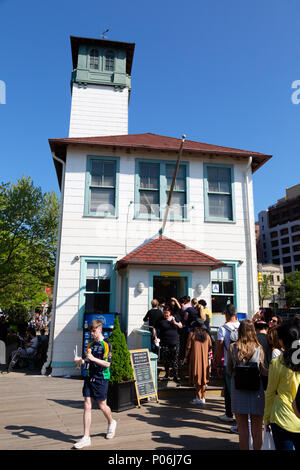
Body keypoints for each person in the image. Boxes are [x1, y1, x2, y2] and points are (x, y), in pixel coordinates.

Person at [73, 320, 116, 449]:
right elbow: (88, 360)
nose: (92, 333)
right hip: (89, 376)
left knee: (102, 405)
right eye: (90, 331)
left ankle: (111, 422)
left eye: (94, 331)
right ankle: (86, 437)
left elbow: (107, 364)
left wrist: (93, 359)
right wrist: (80, 361)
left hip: (101, 377)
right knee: (87, 405)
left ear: (100, 329)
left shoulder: (106, 344)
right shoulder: (90, 344)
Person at [227, 319, 266, 450]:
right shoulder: (258, 347)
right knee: (257, 429)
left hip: (238, 387)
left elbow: (229, 369)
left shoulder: (233, 347)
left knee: (242, 430)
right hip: (256, 387)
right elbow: (262, 369)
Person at [264, 317, 300, 450]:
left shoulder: (278, 362)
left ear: (282, 340)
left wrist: (266, 418)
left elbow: (270, 393)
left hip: (282, 417)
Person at [215, 304, 240, 425]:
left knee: (229, 390)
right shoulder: (242, 326)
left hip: (227, 363)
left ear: (226, 314)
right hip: (242, 363)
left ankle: (229, 414)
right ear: (235, 314)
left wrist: (218, 364)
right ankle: (240, 413)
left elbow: (219, 348)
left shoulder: (223, 328)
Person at [184, 318, 212, 404]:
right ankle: (202, 397)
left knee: (196, 378)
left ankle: (199, 397)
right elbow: (210, 346)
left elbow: (188, 348)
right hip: (204, 360)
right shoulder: (207, 336)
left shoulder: (192, 335)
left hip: (195, 359)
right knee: (203, 378)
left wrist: (185, 357)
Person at [153, 305, 182, 383]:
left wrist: (175, 322)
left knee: (175, 359)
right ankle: (167, 374)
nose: (166, 314)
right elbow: (154, 328)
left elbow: (181, 326)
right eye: (164, 313)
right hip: (165, 342)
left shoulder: (175, 317)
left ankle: (175, 376)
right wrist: (155, 336)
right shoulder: (160, 320)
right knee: (166, 359)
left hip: (175, 342)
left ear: (170, 313)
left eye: (167, 313)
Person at [254, 320, 271, 390]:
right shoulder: (271, 339)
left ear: (255, 329)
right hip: (269, 370)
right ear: (267, 329)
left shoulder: (252, 339)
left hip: (255, 370)